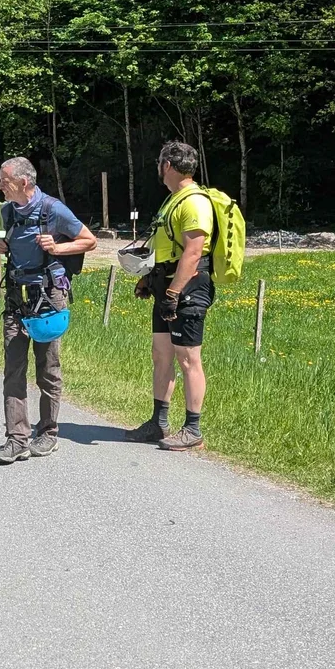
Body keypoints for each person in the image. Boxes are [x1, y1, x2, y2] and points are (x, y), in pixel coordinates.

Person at [0, 156, 96, 464]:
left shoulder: (53, 209)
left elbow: (88, 240)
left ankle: (48, 433)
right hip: (16, 297)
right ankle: (17, 439)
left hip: (49, 297)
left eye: (4, 181)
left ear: (24, 183)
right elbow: (18, 244)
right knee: (13, 368)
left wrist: (58, 248)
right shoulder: (7, 211)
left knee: (47, 369)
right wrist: (4, 245)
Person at [129, 140, 216, 451]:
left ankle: (193, 430)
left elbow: (193, 252)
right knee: (161, 354)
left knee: (188, 358)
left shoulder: (194, 202)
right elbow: (165, 247)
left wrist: (174, 292)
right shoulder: (173, 200)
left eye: (159, 163)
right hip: (166, 285)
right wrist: (149, 281)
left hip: (188, 287)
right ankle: (159, 423)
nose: (158, 169)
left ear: (167, 165)